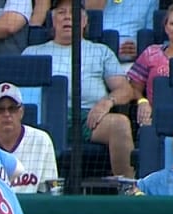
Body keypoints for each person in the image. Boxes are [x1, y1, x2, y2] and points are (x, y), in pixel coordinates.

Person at [22, 0, 135, 177]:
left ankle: (128, 191)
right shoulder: (32, 52)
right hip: (45, 118)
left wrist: (106, 103)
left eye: (74, 12)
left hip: (89, 117)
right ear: (52, 21)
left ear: (84, 22)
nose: (67, 16)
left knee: (120, 124)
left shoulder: (101, 51)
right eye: (61, 12)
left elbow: (125, 89)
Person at [85, 0, 157, 63]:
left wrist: (139, 48)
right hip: (99, 48)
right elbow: (87, 20)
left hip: (133, 56)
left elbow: (150, 32)